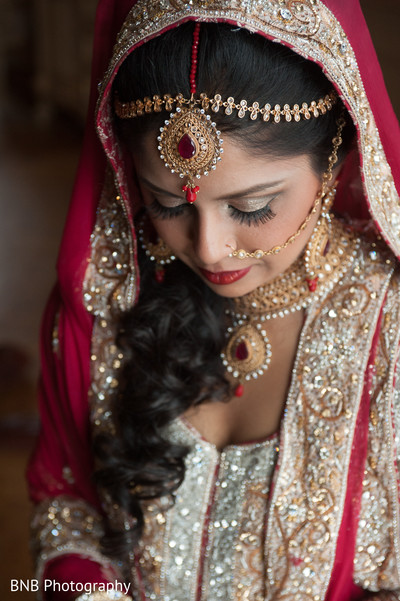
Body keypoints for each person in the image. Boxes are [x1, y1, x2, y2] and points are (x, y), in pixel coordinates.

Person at [27, 0, 400, 600]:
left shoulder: (391, 330)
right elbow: (69, 503)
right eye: (169, 205)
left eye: (252, 208)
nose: (210, 249)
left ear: (336, 152)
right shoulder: (104, 304)